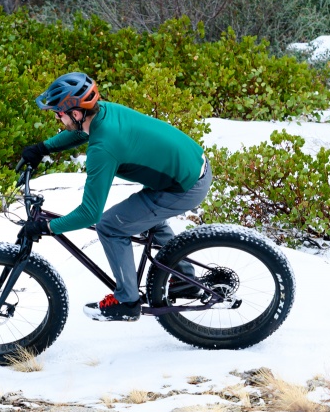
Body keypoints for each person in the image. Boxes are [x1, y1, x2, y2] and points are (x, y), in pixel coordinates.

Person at [18, 72, 212, 322]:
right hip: (193, 167)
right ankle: (185, 279)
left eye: (59, 113)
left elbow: (90, 213)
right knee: (141, 216)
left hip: (185, 186)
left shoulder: (104, 147)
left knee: (110, 226)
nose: (57, 117)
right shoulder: (102, 112)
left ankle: (127, 301)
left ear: (76, 113)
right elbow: (80, 132)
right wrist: (43, 148)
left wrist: (47, 226)